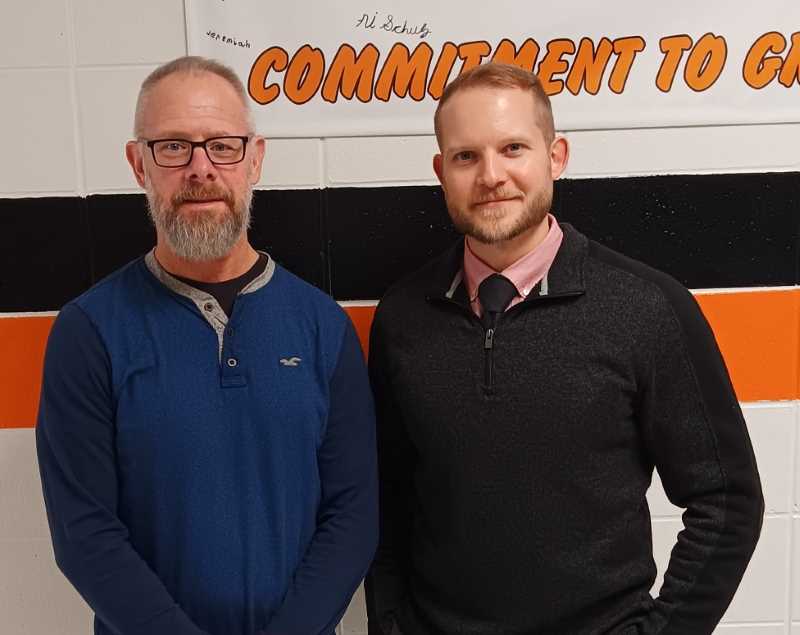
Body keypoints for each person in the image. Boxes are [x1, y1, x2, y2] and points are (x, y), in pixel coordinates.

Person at [365, 63, 763, 635]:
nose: (491, 175)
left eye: (513, 148)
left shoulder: (648, 307)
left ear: (556, 157)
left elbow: (727, 500)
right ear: (440, 171)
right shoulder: (402, 315)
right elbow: (386, 499)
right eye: (465, 156)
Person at [36, 55, 377, 635]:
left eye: (223, 145)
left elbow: (353, 517)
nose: (201, 168)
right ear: (138, 164)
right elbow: (84, 533)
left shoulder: (322, 326)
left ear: (256, 160)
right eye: (172, 147)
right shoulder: (87, 332)